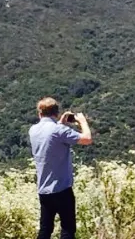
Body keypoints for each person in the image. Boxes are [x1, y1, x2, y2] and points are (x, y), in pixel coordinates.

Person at [29, 97, 93, 239]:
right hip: (62, 189)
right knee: (67, 229)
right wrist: (82, 122)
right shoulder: (60, 130)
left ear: (40, 113)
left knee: (45, 229)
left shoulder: (33, 130)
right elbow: (87, 139)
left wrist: (60, 122)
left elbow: (50, 136)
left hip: (44, 189)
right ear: (56, 113)